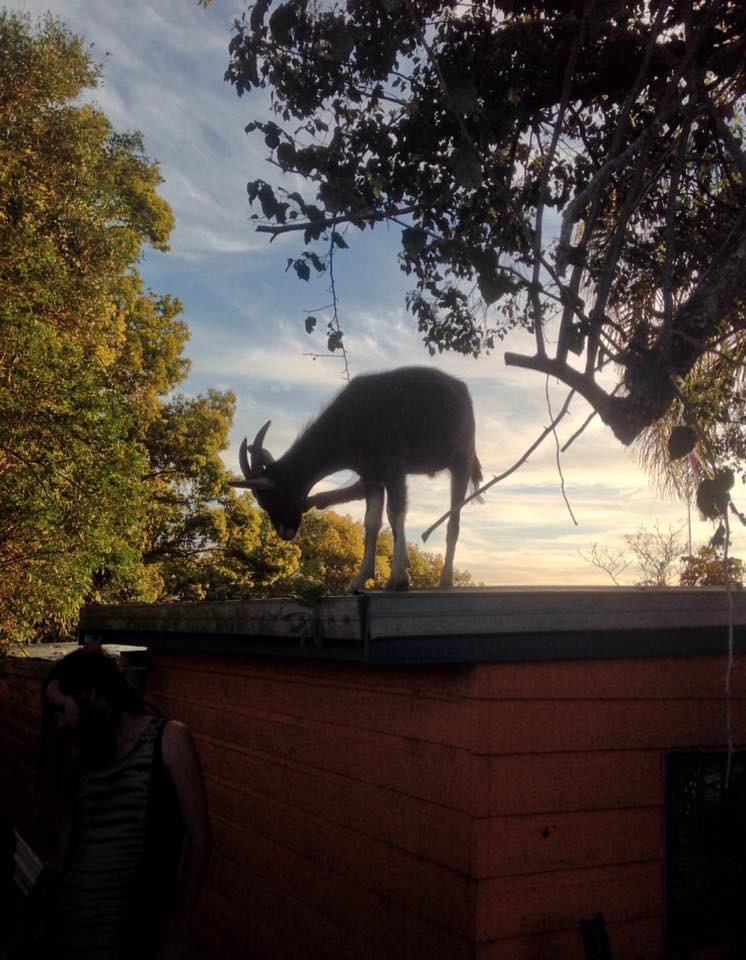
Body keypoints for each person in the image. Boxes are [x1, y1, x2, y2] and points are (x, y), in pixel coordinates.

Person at [20, 646, 210, 960]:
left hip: (131, 940)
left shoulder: (170, 741)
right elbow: (61, 857)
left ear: (91, 694)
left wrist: (178, 929)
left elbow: (200, 840)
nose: (59, 723)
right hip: (68, 937)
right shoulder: (82, 755)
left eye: (61, 709)